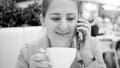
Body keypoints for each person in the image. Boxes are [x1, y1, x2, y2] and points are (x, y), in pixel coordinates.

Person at [15, 0, 106, 68]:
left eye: (70, 18)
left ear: (79, 20)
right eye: (55, 18)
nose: (63, 26)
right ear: (42, 20)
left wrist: (87, 57)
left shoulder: (92, 45)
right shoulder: (28, 51)